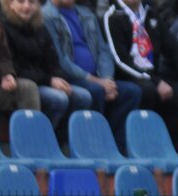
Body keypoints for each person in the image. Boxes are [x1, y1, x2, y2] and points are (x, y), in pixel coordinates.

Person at [44, 0, 142, 151]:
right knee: (95, 91)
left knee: (132, 91)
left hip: (98, 78)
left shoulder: (87, 14)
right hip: (71, 78)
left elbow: (103, 50)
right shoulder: (46, 16)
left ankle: (116, 149)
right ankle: (93, 148)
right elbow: (61, 59)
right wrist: (97, 81)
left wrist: (107, 79)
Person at [102, 0, 178, 129]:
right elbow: (119, 61)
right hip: (128, 75)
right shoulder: (112, 16)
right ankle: (138, 141)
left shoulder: (150, 13)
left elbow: (174, 48)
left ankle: (175, 146)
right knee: (148, 90)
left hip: (153, 76)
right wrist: (156, 81)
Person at [0, 0, 92, 132]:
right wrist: (49, 80)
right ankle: (41, 138)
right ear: (10, 4)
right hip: (23, 82)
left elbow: (53, 61)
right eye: (21, 2)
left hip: (45, 81)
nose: (27, 6)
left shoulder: (40, 27)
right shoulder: (3, 27)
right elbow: (13, 68)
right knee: (58, 99)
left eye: (32, 2)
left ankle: (61, 141)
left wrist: (59, 79)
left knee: (83, 97)